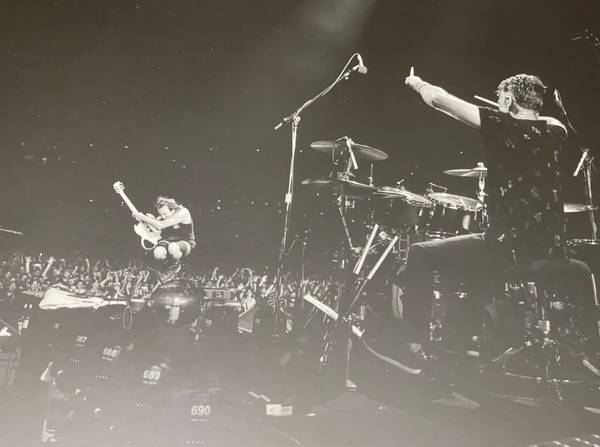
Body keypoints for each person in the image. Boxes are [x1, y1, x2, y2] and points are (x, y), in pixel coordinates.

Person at [401, 70, 594, 367]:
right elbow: (537, 121)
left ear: (506, 98)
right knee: (473, 259)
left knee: (420, 253)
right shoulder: (556, 130)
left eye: (500, 99)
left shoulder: (502, 126)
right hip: (549, 250)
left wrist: (417, 83)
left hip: (507, 249)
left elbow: (438, 99)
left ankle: (417, 347)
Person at [133, 196, 196, 271]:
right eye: (161, 214)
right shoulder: (164, 215)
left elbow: (161, 225)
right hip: (167, 240)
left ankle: (175, 267)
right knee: (158, 253)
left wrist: (143, 217)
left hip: (185, 242)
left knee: (173, 247)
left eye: (165, 214)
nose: (163, 216)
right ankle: (163, 269)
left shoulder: (183, 212)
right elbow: (155, 226)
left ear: (172, 209)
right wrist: (143, 219)